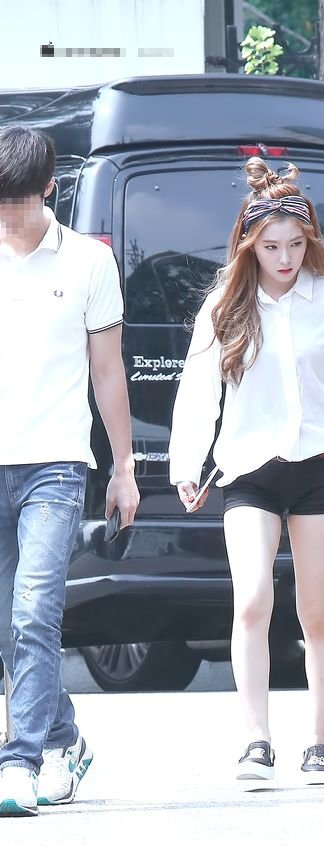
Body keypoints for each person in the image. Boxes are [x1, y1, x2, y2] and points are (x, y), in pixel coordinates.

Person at [169, 157, 324, 785]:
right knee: (251, 599)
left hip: (319, 468)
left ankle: (319, 742)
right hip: (248, 470)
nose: (284, 257)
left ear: (310, 241)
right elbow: (197, 389)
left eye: (295, 245)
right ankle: (256, 740)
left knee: (317, 612)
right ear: (249, 243)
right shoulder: (226, 303)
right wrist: (187, 463)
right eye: (271, 246)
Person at [0, 126, 141, 816]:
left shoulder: (88, 261)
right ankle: (64, 738)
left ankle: (18, 762)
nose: (9, 215)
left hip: (54, 465)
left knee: (34, 612)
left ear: (49, 189)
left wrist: (124, 468)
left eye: (20, 202)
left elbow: (107, 371)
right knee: (8, 624)